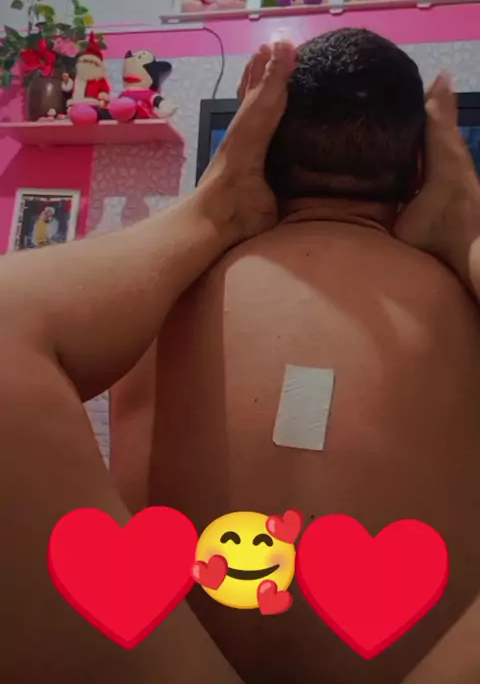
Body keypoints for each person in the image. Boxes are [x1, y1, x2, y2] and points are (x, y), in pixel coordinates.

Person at [1, 36, 480, 684]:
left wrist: (208, 210)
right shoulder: (464, 306)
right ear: (421, 171)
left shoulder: (154, 300)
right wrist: (469, 232)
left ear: (256, 150)